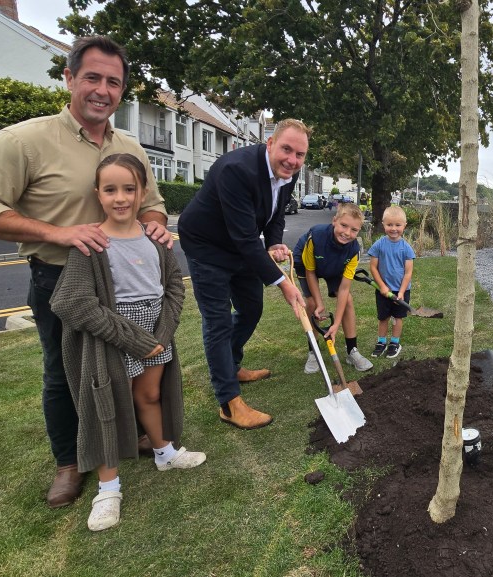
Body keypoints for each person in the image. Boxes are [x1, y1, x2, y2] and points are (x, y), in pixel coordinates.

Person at [0, 36, 172, 509]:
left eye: (113, 82)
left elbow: (154, 208)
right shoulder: (23, 140)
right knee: (64, 374)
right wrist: (57, 232)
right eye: (92, 77)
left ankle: (134, 437)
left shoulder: (130, 146)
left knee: (132, 365)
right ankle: (70, 463)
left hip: (129, 284)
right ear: (69, 79)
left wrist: (155, 231)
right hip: (61, 280)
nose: (102, 90)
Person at [50, 154, 205, 532]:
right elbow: (70, 302)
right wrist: (134, 340)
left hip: (155, 333)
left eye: (129, 189)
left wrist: (162, 335)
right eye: (110, 189)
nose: (120, 198)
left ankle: (164, 452)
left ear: (143, 193)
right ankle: (108, 488)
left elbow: (173, 288)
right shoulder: (91, 245)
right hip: (114, 336)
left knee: (149, 396)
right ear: (97, 194)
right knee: (111, 407)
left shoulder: (156, 241)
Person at [178, 120, 307, 430]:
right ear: (270, 143)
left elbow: (275, 214)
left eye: (299, 154)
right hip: (207, 246)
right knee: (218, 321)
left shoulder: (289, 171)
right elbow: (246, 240)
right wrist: (284, 283)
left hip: (241, 245)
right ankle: (229, 402)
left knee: (251, 308)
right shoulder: (236, 170)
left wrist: (275, 241)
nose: (292, 159)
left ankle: (231, 364)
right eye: (286, 149)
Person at [293, 203, 374, 373]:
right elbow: (311, 272)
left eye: (354, 230)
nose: (347, 233)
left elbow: (344, 289)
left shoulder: (354, 250)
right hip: (307, 264)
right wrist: (320, 302)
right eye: (344, 225)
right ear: (334, 221)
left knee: (348, 300)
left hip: (336, 264)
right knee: (312, 304)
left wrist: (336, 324)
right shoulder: (316, 236)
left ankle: (352, 351)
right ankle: (313, 352)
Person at [367, 205, 416, 358]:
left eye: (397, 225)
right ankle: (381, 341)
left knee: (397, 317)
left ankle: (394, 342)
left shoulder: (406, 249)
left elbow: (408, 273)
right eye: (389, 225)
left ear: (404, 226)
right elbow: (373, 268)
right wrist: (382, 286)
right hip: (383, 290)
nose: (393, 228)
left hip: (401, 291)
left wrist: (401, 292)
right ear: (383, 225)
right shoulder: (379, 245)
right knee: (383, 317)